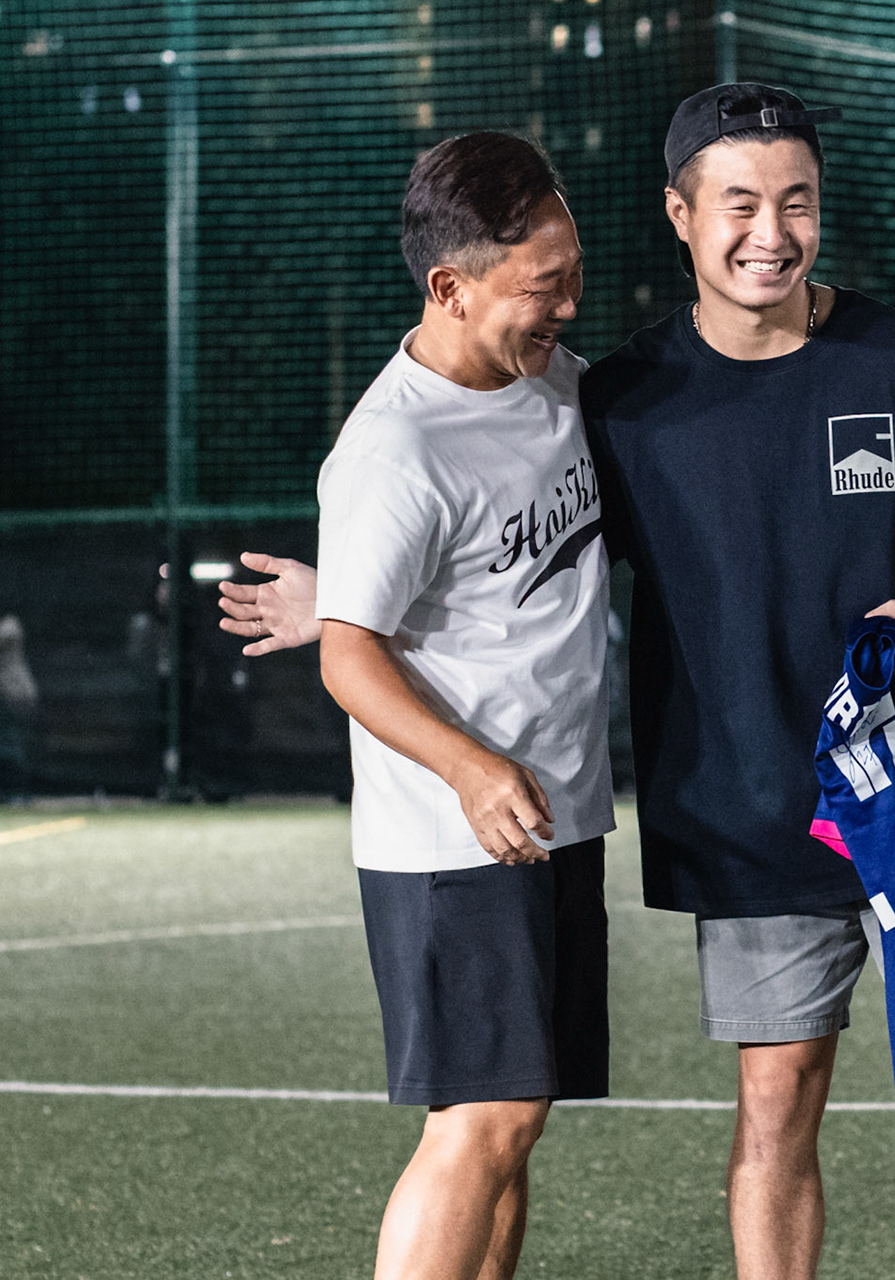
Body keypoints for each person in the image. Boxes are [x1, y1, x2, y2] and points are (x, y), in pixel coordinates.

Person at [223, 84, 895, 1280]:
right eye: (740, 203)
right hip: (737, 809)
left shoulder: (884, 366)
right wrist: (351, 613)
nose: (770, 232)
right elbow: (457, 563)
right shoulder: (614, 401)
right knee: (741, 1105)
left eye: (797, 202)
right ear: (681, 213)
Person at [300, 130, 613, 1280]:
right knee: (482, 1118)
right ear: (451, 285)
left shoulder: (556, 383)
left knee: (517, 1115)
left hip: (550, 815)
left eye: (574, 274)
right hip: (452, 835)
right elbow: (350, 660)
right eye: (543, 285)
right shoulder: (395, 446)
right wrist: (471, 769)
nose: (567, 305)